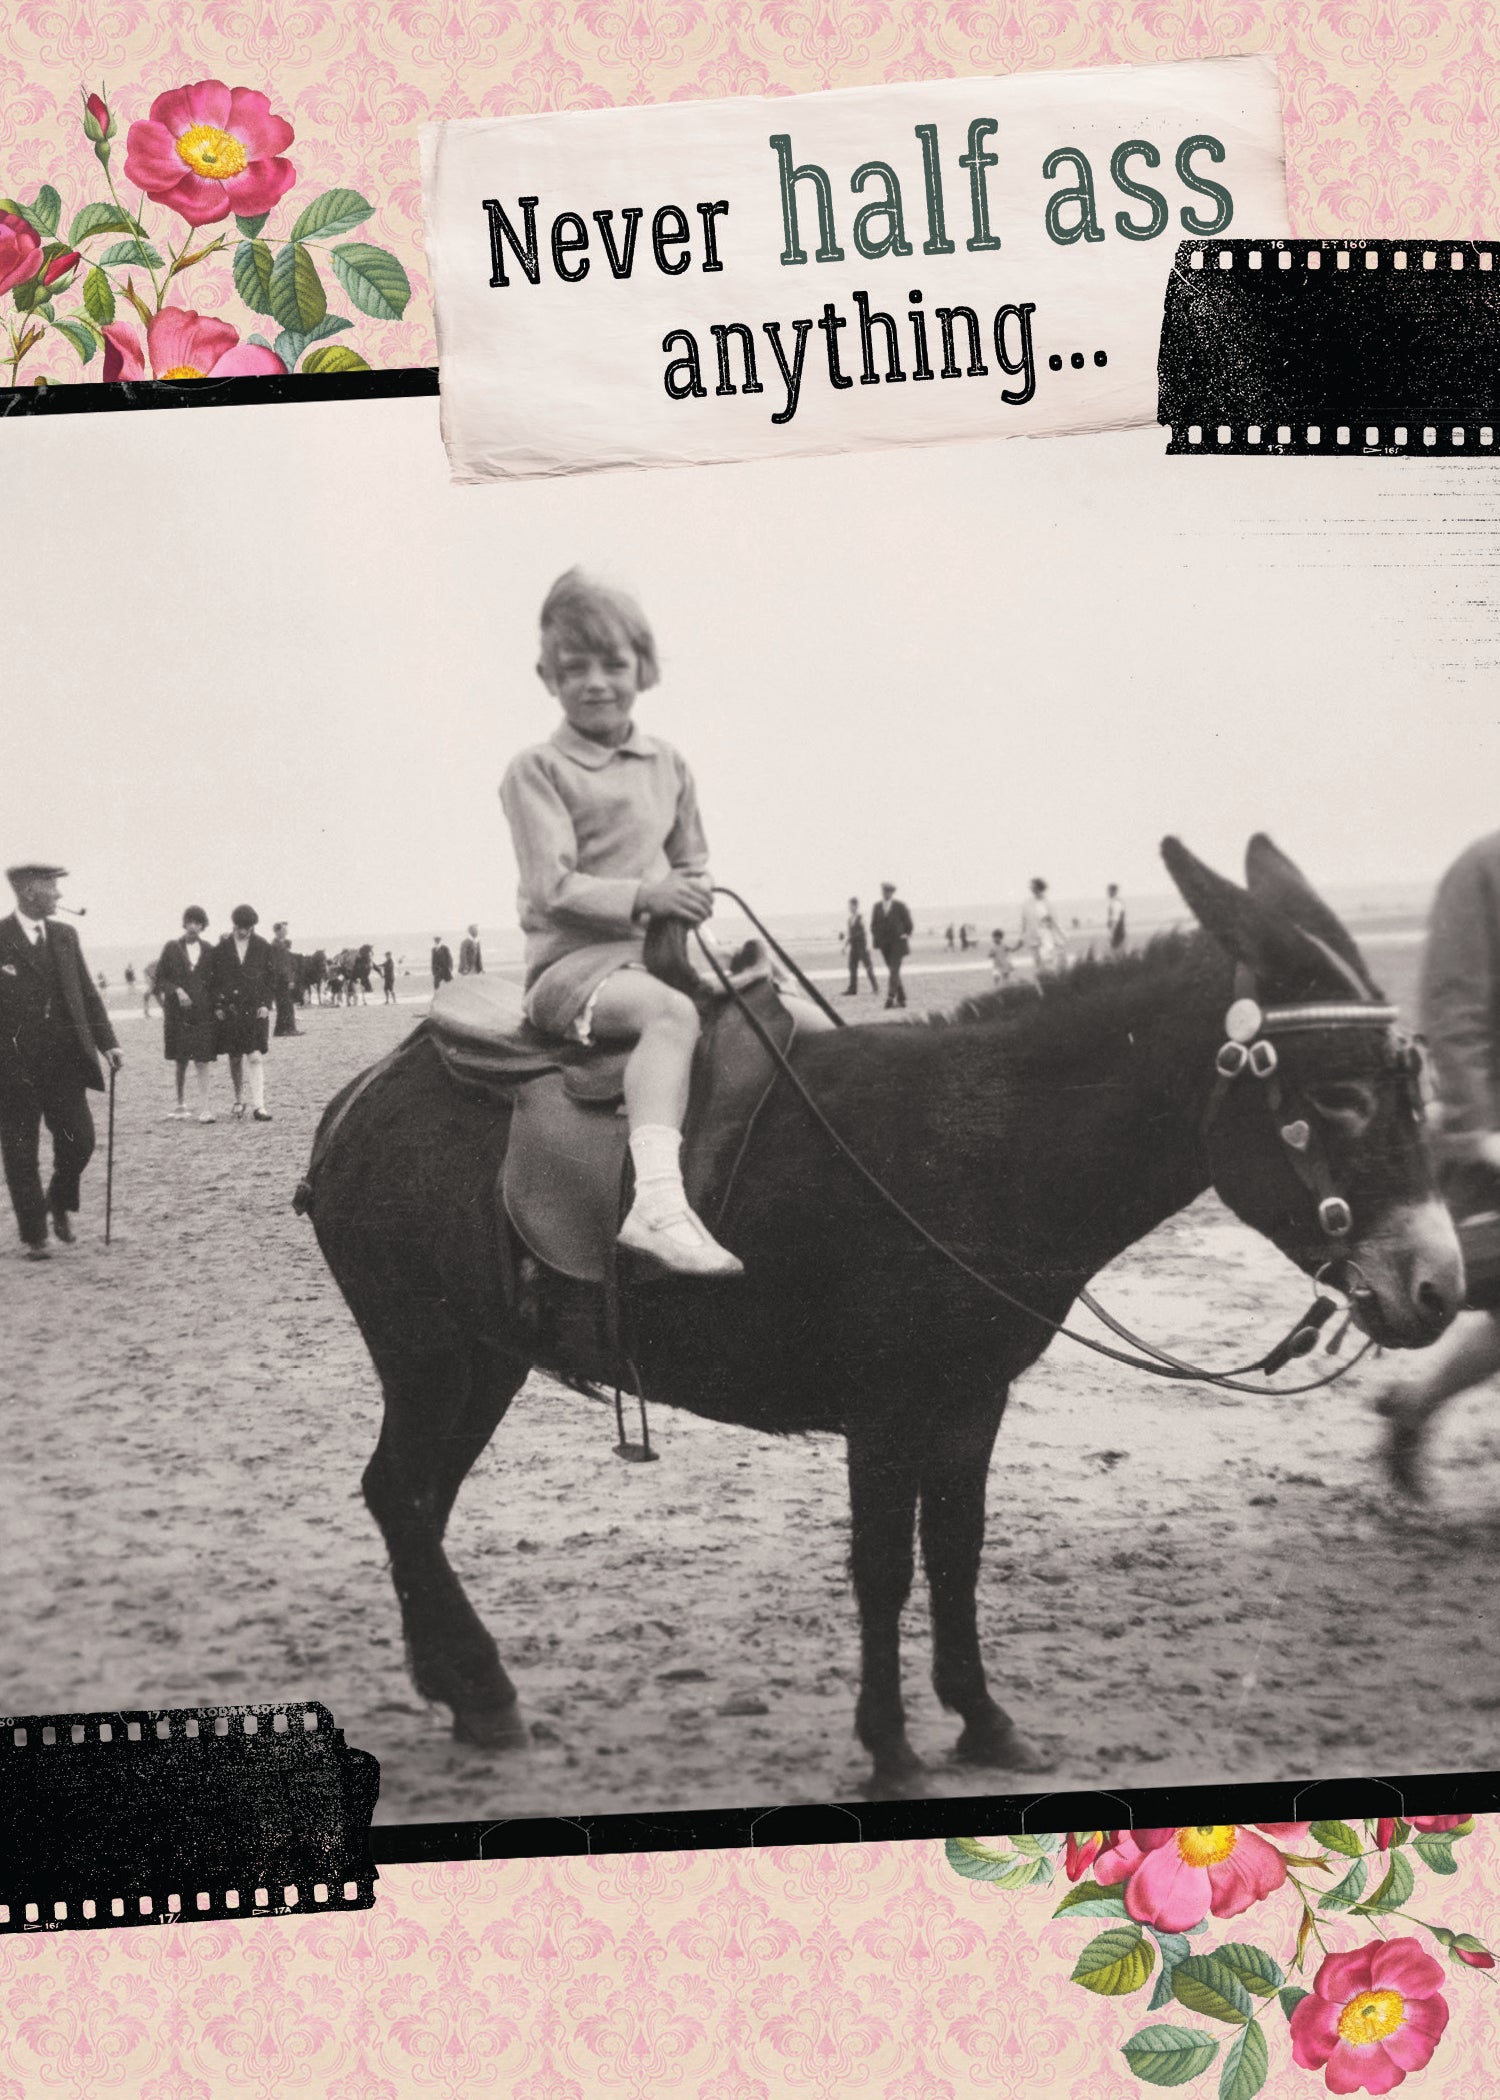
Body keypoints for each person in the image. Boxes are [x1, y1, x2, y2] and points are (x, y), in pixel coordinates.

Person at [499, 567, 742, 1278]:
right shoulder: (538, 769)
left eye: (613, 664)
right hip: (574, 969)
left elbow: (692, 863)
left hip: (657, 955)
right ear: (547, 677)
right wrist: (650, 896)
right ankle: (657, 1204)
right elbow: (553, 887)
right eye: (575, 668)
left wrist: (690, 896)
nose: (596, 682)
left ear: (644, 667)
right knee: (671, 1016)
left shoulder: (668, 763)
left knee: (778, 1013)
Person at [1374, 827, 1500, 1492]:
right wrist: (1482, 1131)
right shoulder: (1485, 869)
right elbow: (1454, 1012)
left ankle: (1416, 1409)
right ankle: (1416, 1409)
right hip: (1484, 1142)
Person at [0, 862, 123, 1260]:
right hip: (13, 1069)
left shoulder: (66, 936)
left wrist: (108, 1043)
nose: (59, 894)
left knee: (80, 1142)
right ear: (29, 891)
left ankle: (58, 1199)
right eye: (52, 887)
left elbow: (86, 994)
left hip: (64, 1064)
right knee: (21, 1153)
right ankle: (35, 1235)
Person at [156, 906, 219, 1122]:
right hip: (178, 1013)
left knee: (202, 1059)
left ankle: (205, 1107)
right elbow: (160, 979)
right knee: (181, 1059)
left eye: (198, 923)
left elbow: (214, 981)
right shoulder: (172, 948)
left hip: (202, 1012)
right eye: (190, 922)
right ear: (184, 923)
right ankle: (180, 1103)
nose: (193, 926)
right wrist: (177, 990)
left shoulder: (209, 949)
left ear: (203, 926)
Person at [214, 904, 276, 1122]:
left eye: (248, 928)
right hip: (231, 1009)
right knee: (234, 1057)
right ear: (234, 925)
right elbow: (215, 980)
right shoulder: (223, 948)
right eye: (241, 927)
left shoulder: (262, 946)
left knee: (255, 1056)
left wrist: (266, 1004)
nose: (244, 931)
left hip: (255, 1008)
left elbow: (270, 978)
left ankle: (259, 1106)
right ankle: (238, 1100)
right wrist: (218, 1006)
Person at [870, 881, 913, 1009]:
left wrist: (906, 934)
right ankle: (902, 997)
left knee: (894, 970)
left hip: (898, 944)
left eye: (888, 891)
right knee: (893, 971)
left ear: (892, 893)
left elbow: (909, 924)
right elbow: (873, 925)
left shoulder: (900, 906)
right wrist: (877, 937)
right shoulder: (877, 906)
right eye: (884, 891)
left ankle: (890, 997)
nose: (886, 893)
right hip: (884, 945)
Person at [1017, 876, 1068, 979]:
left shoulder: (1048, 903)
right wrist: (1021, 937)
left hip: (1046, 934)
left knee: (1048, 958)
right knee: (1037, 961)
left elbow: (1055, 920)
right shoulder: (1027, 904)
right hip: (1032, 935)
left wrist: (1061, 935)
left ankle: (1050, 978)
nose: (1032, 889)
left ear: (1040, 888)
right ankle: (1041, 979)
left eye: (1034, 887)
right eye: (1031, 887)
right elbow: (1023, 921)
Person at [840, 896, 880, 996]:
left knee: (868, 967)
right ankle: (852, 989)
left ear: (856, 906)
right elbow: (849, 935)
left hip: (862, 946)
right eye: (849, 906)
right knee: (852, 967)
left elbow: (867, 932)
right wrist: (844, 947)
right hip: (854, 947)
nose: (849, 908)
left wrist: (868, 946)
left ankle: (875, 987)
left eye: (851, 906)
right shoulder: (849, 920)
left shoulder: (861, 917)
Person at [271, 922, 302, 1037]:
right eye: (284, 930)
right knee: (285, 1005)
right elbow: (281, 965)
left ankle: (284, 1029)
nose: (286, 932)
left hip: (281, 979)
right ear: (277, 931)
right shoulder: (276, 945)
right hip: (281, 980)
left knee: (285, 1004)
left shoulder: (279, 944)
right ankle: (286, 1029)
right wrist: (289, 979)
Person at [1107, 882, 1128, 953]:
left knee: (1116, 951)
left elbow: (1115, 919)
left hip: (1117, 931)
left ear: (1114, 891)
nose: (1108, 893)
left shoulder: (1116, 903)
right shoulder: (1117, 902)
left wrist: (1112, 932)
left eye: (1110, 891)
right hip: (1119, 930)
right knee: (1118, 951)